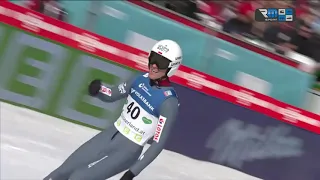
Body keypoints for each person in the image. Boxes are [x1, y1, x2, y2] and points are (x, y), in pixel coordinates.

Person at [43, 39, 182, 180]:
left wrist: (132, 172)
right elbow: (113, 93)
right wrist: (99, 89)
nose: (154, 66)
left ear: (172, 67)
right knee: (62, 172)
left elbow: (158, 144)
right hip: (110, 134)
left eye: (161, 63)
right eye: (153, 58)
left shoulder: (168, 102)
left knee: (79, 178)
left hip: (127, 150)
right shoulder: (140, 79)